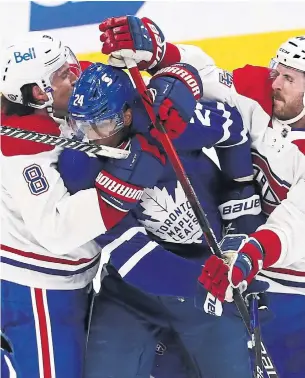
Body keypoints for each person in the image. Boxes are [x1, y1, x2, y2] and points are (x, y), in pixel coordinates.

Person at [58, 48, 267, 378]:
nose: (89, 137)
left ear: (127, 115)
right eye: (79, 125)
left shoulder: (170, 123)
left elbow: (232, 127)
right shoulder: (78, 165)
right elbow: (130, 254)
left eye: (101, 125)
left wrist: (240, 194)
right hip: (134, 292)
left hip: (207, 260)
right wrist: (203, 285)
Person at [0, 32, 171, 378]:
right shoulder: (22, 147)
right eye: (63, 74)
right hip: (36, 289)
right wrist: (125, 183)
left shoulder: (63, 106)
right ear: (38, 94)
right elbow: (57, 230)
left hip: (68, 282)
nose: (77, 74)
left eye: (71, 64)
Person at [190, 36, 305, 378]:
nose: (276, 84)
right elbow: (204, 75)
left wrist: (253, 252)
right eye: (276, 72)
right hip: (256, 270)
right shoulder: (260, 93)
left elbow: (296, 221)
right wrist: (158, 51)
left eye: (289, 78)